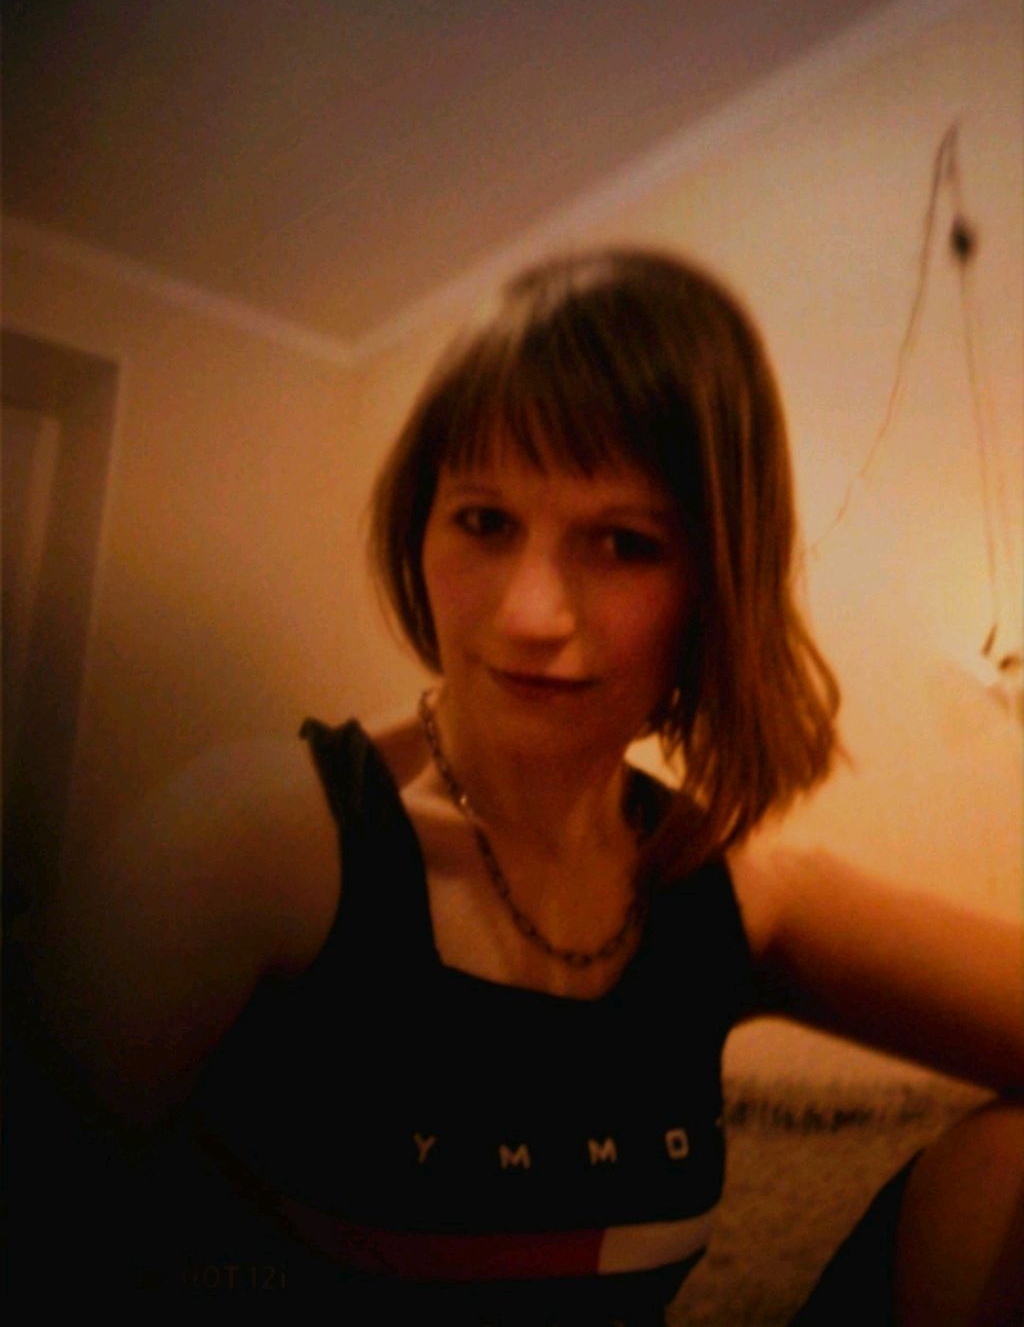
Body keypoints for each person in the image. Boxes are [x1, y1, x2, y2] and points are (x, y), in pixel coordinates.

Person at [12, 247, 1023, 1322]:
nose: (530, 614)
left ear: (714, 583)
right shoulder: (258, 838)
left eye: (623, 543)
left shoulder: (743, 895)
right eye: (486, 521)